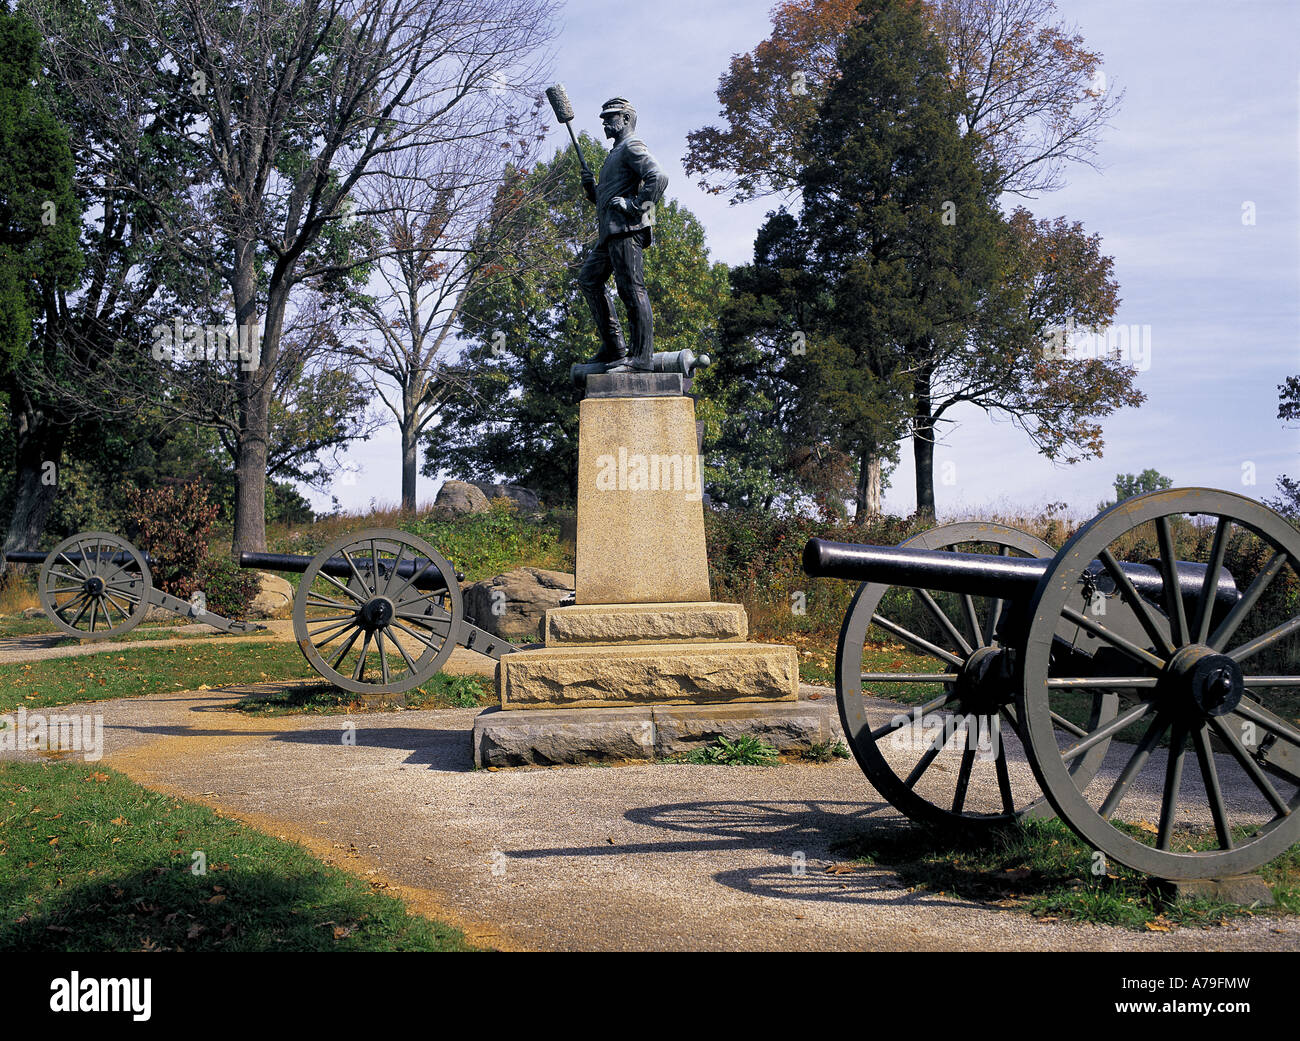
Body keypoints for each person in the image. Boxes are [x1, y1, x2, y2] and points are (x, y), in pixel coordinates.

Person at [577, 97, 667, 372]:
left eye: (610, 117)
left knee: (631, 290)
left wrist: (635, 206)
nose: (604, 122)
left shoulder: (632, 146)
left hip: (627, 231)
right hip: (610, 233)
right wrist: (593, 190)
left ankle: (641, 359)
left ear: (626, 118)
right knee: (589, 280)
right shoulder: (615, 153)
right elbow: (608, 198)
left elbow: (658, 177)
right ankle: (615, 347)